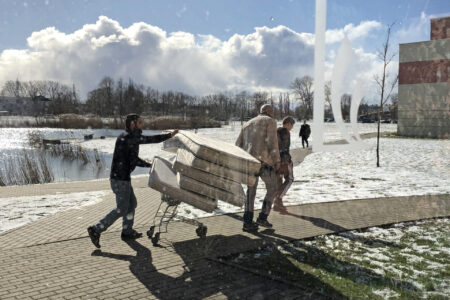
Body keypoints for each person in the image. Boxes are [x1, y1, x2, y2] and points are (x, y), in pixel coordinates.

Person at [87, 114, 178, 248]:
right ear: (132, 124)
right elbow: (146, 144)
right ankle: (96, 229)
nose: (142, 125)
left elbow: (135, 154)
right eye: (140, 122)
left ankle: (127, 231)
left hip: (122, 178)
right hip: (120, 180)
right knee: (122, 208)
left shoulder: (128, 136)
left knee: (131, 204)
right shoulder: (129, 138)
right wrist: (169, 137)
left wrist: (149, 163)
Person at [236, 104, 280, 232]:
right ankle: (262, 217)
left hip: (249, 162)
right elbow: (272, 142)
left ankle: (247, 222)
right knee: (273, 188)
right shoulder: (270, 121)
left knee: (251, 192)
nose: (273, 113)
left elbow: (238, 144)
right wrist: (277, 160)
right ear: (269, 112)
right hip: (264, 161)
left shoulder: (247, 124)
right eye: (272, 111)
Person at [273, 116, 295, 211]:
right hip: (283, 161)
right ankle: (278, 198)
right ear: (288, 123)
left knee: (279, 181)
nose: (292, 127)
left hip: (274, 161)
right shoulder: (285, 132)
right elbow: (284, 149)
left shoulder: (276, 131)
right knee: (289, 179)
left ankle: (277, 204)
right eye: (292, 125)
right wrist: (288, 161)